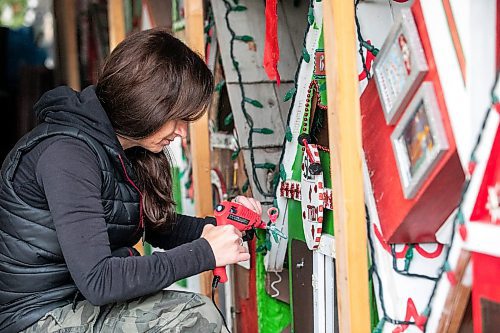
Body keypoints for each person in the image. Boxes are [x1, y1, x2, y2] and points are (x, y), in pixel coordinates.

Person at [0, 27, 262, 333]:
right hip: (39, 318)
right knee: (194, 316)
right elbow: (100, 281)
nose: (181, 132)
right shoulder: (68, 155)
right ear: (148, 105)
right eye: (177, 118)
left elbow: (148, 223)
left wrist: (219, 229)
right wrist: (204, 252)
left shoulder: (116, 147)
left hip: (74, 304)